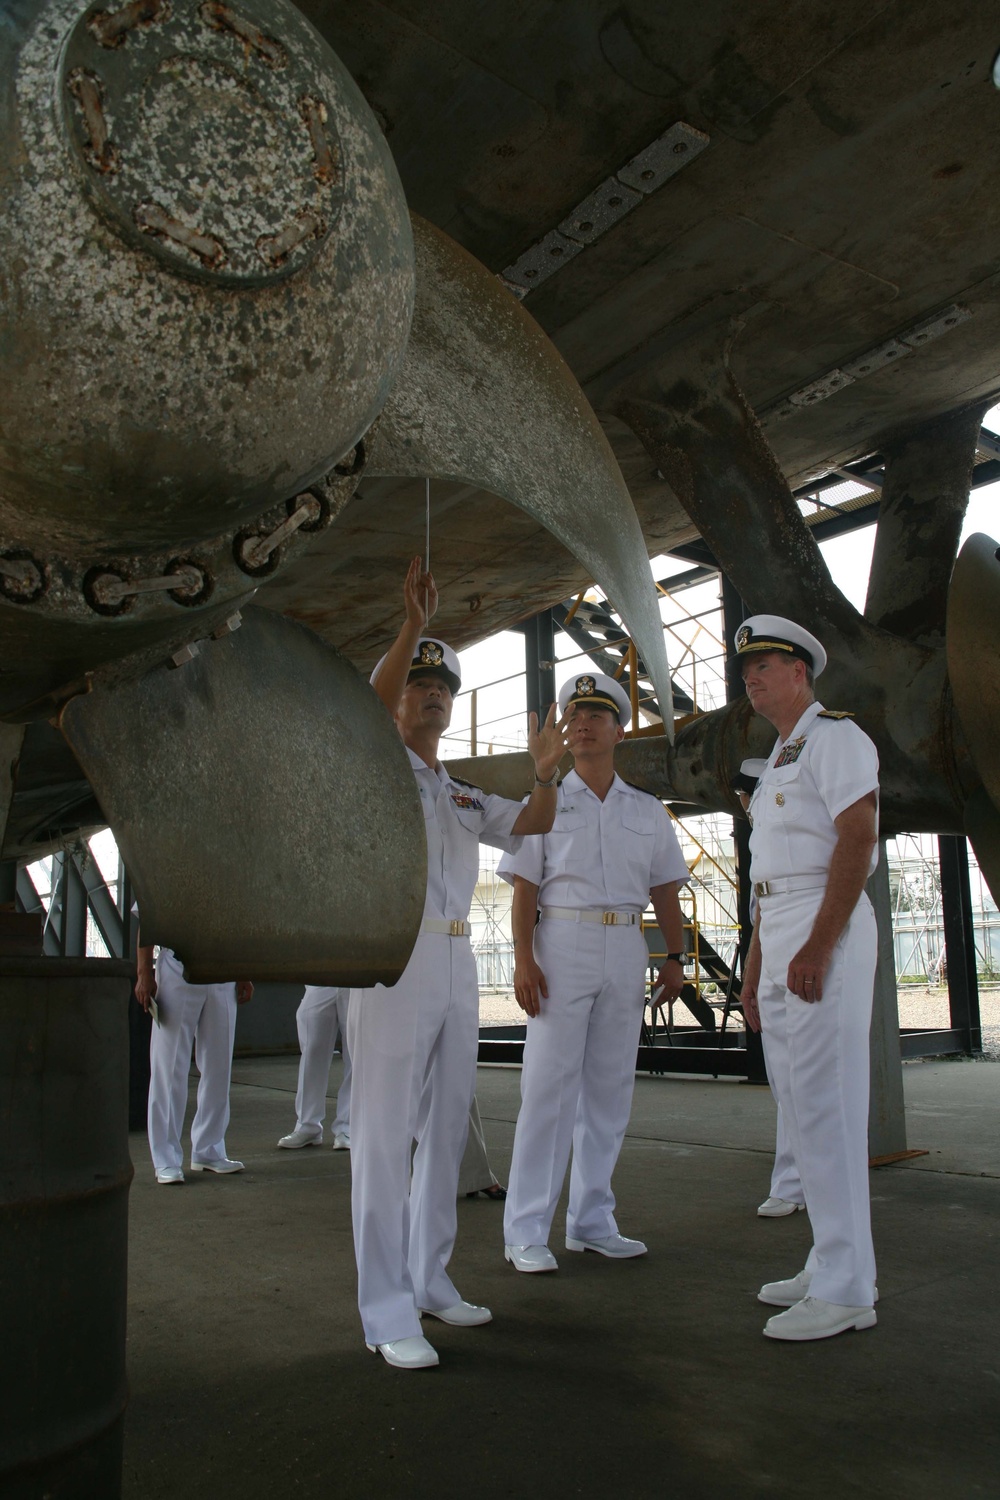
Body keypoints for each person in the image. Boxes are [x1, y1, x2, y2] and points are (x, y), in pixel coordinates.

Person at [348, 558, 565, 1370]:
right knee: (382, 1133)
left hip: (454, 962)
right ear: (401, 696)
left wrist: (546, 773)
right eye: (420, 684)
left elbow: (531, 827)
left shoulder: (462, 791)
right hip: (392, 959)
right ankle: (384, 1309)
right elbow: (369, 703)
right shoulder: (375, 762)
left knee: (445, 1128)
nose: (431, 694)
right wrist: (410, 626)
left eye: (444, 687)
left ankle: (431, 1277)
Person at [498, 671, 689, 1273]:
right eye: (574, 716)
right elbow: (524, 887)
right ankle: (526, 1230)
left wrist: (677, 959)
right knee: (548, 1090)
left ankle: (591, 1220)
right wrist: (524, 958)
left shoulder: (647, 809)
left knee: (610, 1090)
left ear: (619, 729)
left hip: (626, 945)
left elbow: (665, 890)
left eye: (596, 715)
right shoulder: (547, 799)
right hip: (563, 942)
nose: (582, 725)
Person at [736, 614, 879, 1341]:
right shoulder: (780, 759)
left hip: (826, 924)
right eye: (746, 668)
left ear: (801, 671)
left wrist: (820, 944)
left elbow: (858, 835)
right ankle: (827, 1258)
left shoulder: (835, 738)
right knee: (800, 1107)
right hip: (782, 927)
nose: (752, 676)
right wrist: (757, 963)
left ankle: (850, 1286)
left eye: (765, 663)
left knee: (827, 1106)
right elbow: (770, 876)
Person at [733, 759, 805, 1222]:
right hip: (775, 949)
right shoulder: (764, 845)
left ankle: (802, 1181)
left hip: (805, 945)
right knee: (784, 1076)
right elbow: (761, 914)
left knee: (810, 1076)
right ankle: (791, 1180)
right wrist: (751, 979)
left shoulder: (798, 839)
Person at [135, 939, 253, 1184]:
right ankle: (165, 1158)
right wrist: (144, 972)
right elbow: (148, 917)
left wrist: (243, 971)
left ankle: (209, 1149)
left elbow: (238, 918)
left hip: (223, 971)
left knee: (219, 1066)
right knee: (169, 1068)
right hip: (179, 968)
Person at [277, 986, 352, 1151]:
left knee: (355, 1055)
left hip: (357, 983)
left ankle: (347, 1127)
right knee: (313, 1049)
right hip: (321, 980)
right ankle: (307, 1126)